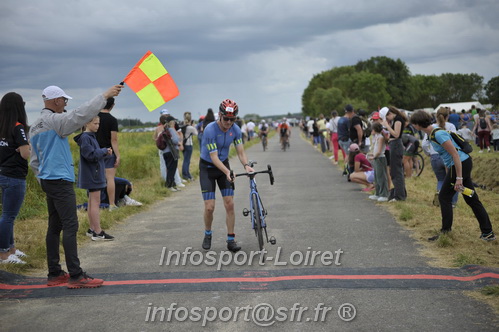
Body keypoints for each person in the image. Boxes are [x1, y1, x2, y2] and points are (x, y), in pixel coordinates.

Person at [29, 84, 123, 288]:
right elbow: (80, 115)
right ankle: (76, 275)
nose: (66, 104)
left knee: (54, 226)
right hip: (59, 180)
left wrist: (42, 179)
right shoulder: (54, 120)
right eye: (64, 100)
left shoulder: (35, 125)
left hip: (47, 179)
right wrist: (105, 95)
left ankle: (54, 273)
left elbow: (34, 161)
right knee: (71, 225)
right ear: (56, 101)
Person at [410, 110, 495, 242]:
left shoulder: (438, 134)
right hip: (460, 165)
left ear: (417, 124)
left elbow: (455, 154)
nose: (413, 126)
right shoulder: (432, 134)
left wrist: (459, 178)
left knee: (444, 197)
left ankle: (445, 232)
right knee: (471, 198)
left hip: (461, 164)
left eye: (413, 124)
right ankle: (488, 232)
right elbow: (448, 157)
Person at [199, 99, 254, 252]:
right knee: (209, 208)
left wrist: (246, 165)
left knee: (229, 204)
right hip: (208, 168)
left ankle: (231, 239)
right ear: (220, 116)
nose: (229, 122)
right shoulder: (210, 130)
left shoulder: (235, 129)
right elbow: (214, 157)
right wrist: (227, 172)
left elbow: (240, 152)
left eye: (232, 119)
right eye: (226, 119)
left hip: (223, 167)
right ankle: (208, 233)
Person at [0, 92, 30, 264]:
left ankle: (11, 249)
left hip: (3, 173)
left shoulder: (2, 126)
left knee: (7, 215)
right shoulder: (18, 126)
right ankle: (4, 254)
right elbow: (26, 154)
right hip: (15, 176)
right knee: (8, 216)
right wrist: (27, 148)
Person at [74, 116, 114, 241]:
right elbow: (90, 155)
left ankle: (92, 229)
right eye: (95, 123)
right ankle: (98, 231)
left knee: (92, 202)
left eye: (98, 124)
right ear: (87, 123)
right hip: (93, 175)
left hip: (93, 173)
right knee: (95, 203)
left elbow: (94, 155)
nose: (97, 126)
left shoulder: (90, 136)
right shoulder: (86, 137)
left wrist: (104, 153)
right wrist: (104, 151)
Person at [422, 108, 458, 208]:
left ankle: (441, 199)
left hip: (435, 157)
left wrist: (429, 153)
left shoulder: (431, 127)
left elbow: (424, 144)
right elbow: (455, 140)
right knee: (452, 180)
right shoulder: (451, 126)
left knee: (441, 180)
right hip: (448, 156)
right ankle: (452, 202)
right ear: (448, 116)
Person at [96, 97, 120, 211]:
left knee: (96, 178)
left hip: (95, 152)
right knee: (110, 178)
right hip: (108, 152)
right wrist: (118, 155)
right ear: (112, 105)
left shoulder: (94, 117)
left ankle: (96, 203)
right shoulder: (112, 120)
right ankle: (111, 204)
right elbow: (113, 140)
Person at [382, 106, 407, 202]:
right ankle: (400, 193)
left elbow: (396, 134)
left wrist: (387, 126)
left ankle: (399, 196)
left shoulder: (398, 120)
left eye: (387, 117)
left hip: (396, 145)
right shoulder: (396, 119)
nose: (387, 120)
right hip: (394, 145)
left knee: (397, 172)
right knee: (396, 171)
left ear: (390, 114)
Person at [368, 122, 389, 202]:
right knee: (376, 176)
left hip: (380, 158)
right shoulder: (376, 137)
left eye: (372, 129)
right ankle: (377, 193)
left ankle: (384, 194)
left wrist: (374, 156)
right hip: (376, 158)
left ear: (375, 129)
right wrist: (372, 155)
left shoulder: (381, 137)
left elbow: (379, 150)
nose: (371, 131)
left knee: (381, 177)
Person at [158, 116, 181, 191]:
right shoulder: (171, 129)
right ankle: (169, 185)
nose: (175, 122)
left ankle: (172, 184)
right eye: (174, 121)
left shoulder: (165, 130)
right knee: (172, 169)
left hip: (165, 152)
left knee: (169, 168)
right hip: (172, 152)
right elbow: (175, 141)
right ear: (171, 122)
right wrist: (178, 139)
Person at [180, 112, 198, 181]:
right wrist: (193, 126)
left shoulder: (182, 126)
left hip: (183, 144)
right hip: (189, 144)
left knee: (185, 160)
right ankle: (186, 175)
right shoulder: (190, 127)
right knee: (187, 161)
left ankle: (186, 174)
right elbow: (196, 133)